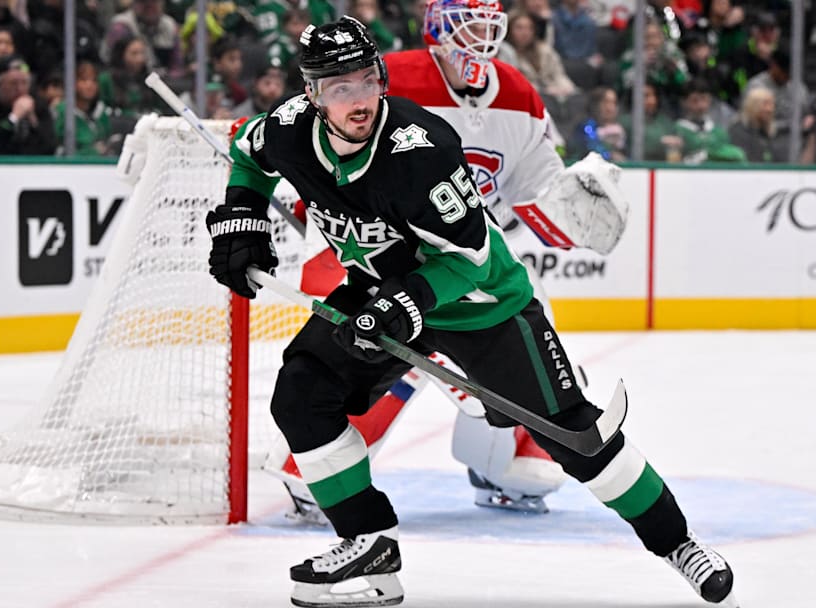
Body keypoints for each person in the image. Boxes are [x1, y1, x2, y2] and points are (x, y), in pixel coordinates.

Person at [207, 15, 738, 608]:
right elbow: (244, 150)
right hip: (379, 288)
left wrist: (408, 301)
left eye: (365, 80)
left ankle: (680, 544)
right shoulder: (287, 129)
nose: (358, 100)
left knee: (576, 435)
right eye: (339, 88)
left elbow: (478, 261)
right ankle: (369, 546)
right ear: (312, 95)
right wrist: (242, 217)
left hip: (481, 305)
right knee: (302, 394)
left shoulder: (421, 148)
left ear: (381, 76)